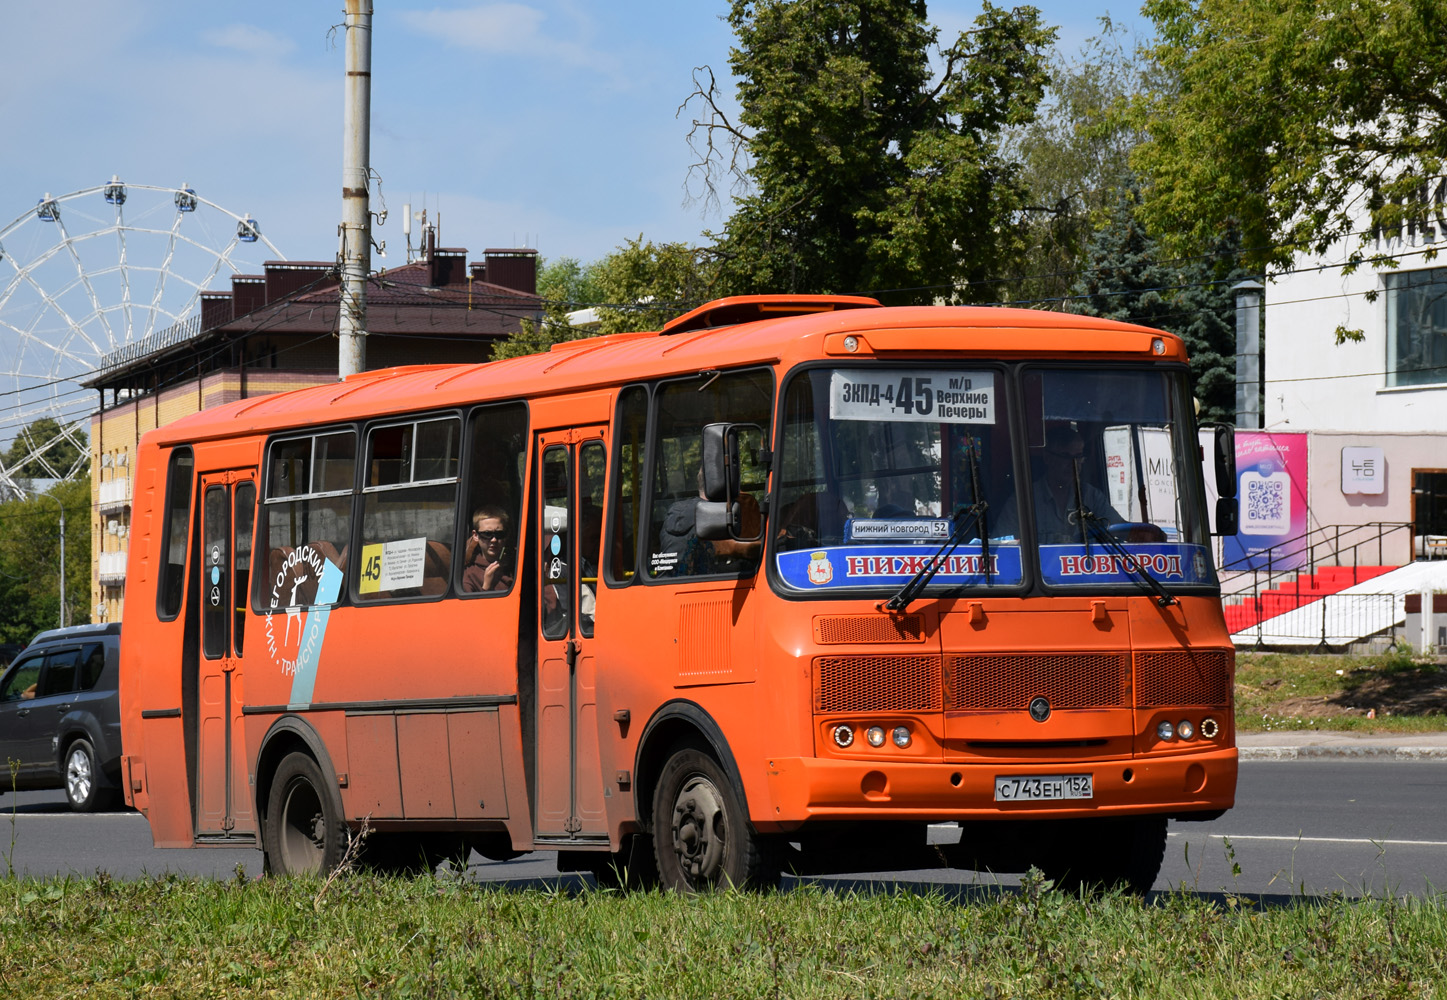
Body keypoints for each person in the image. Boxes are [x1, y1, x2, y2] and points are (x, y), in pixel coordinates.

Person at [996, 425, 1123, 544]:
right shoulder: (1024, 502)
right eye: (1065, 456)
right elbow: (1004, 548)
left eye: (1078, 456)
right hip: (1040, 568)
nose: (1073, 464)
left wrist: (1138, 533)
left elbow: (1121, 530)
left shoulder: (1092, 497)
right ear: (1047, 458)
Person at [657, 470, 762, 575]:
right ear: (720, 486)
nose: (739, 494)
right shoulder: (715, 516)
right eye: (736, 489)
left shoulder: (674, 513)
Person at [462, 506, 514, 592]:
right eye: (487, 534)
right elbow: (470, 606)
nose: (493, 540)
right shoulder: (469, 576)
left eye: (499, 534)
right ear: (475, 535)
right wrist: (486, 587)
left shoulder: (517, 564)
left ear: (507, 534)